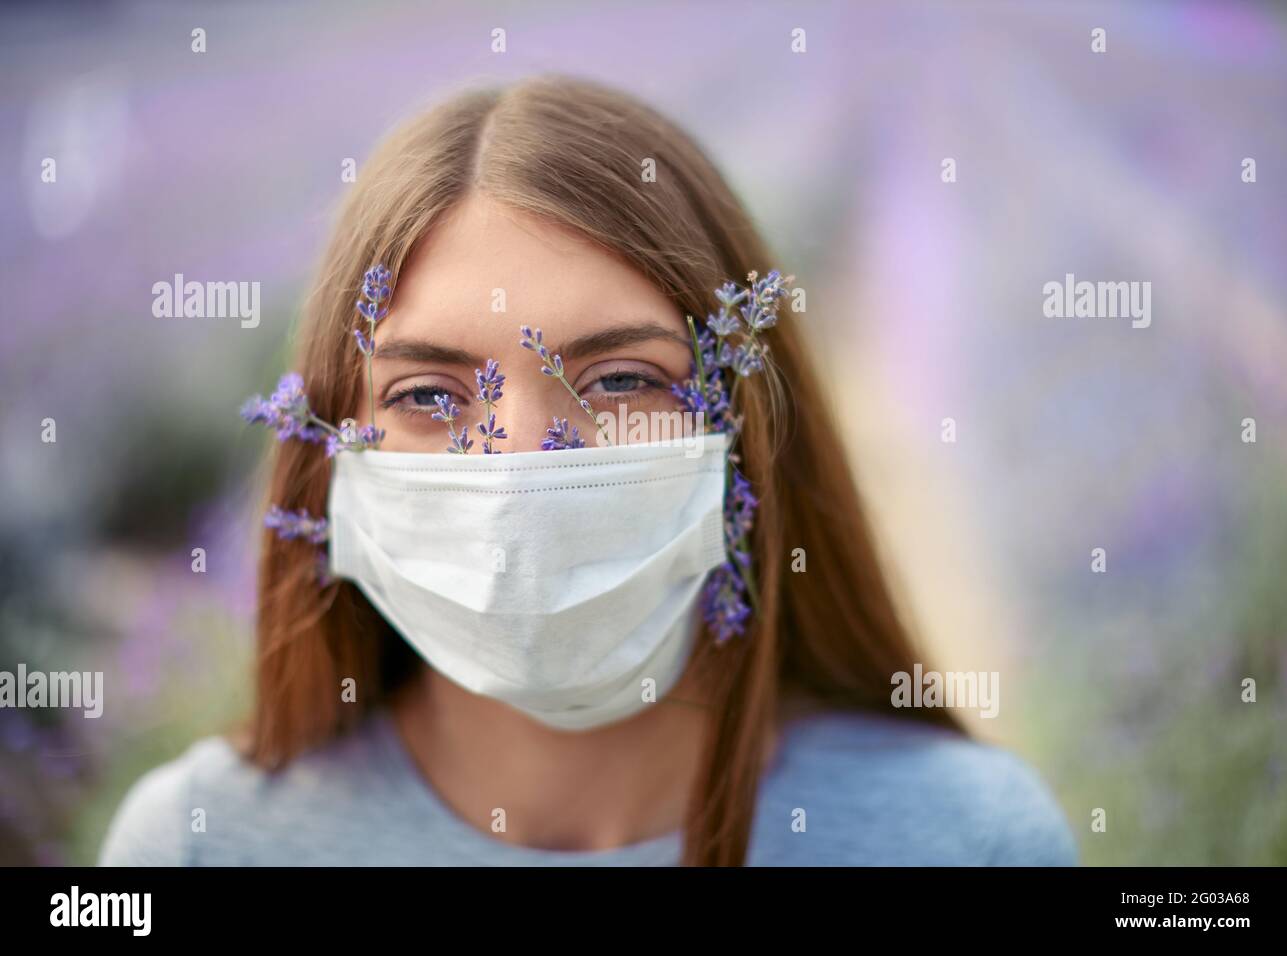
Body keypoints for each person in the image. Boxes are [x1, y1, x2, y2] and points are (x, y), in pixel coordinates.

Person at [99, 74, 1077, 867]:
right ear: (332, 453)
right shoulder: (195, 844)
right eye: (429, 395)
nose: (525, 462)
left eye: (616, 378)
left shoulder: (969, 838)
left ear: (744, 426)